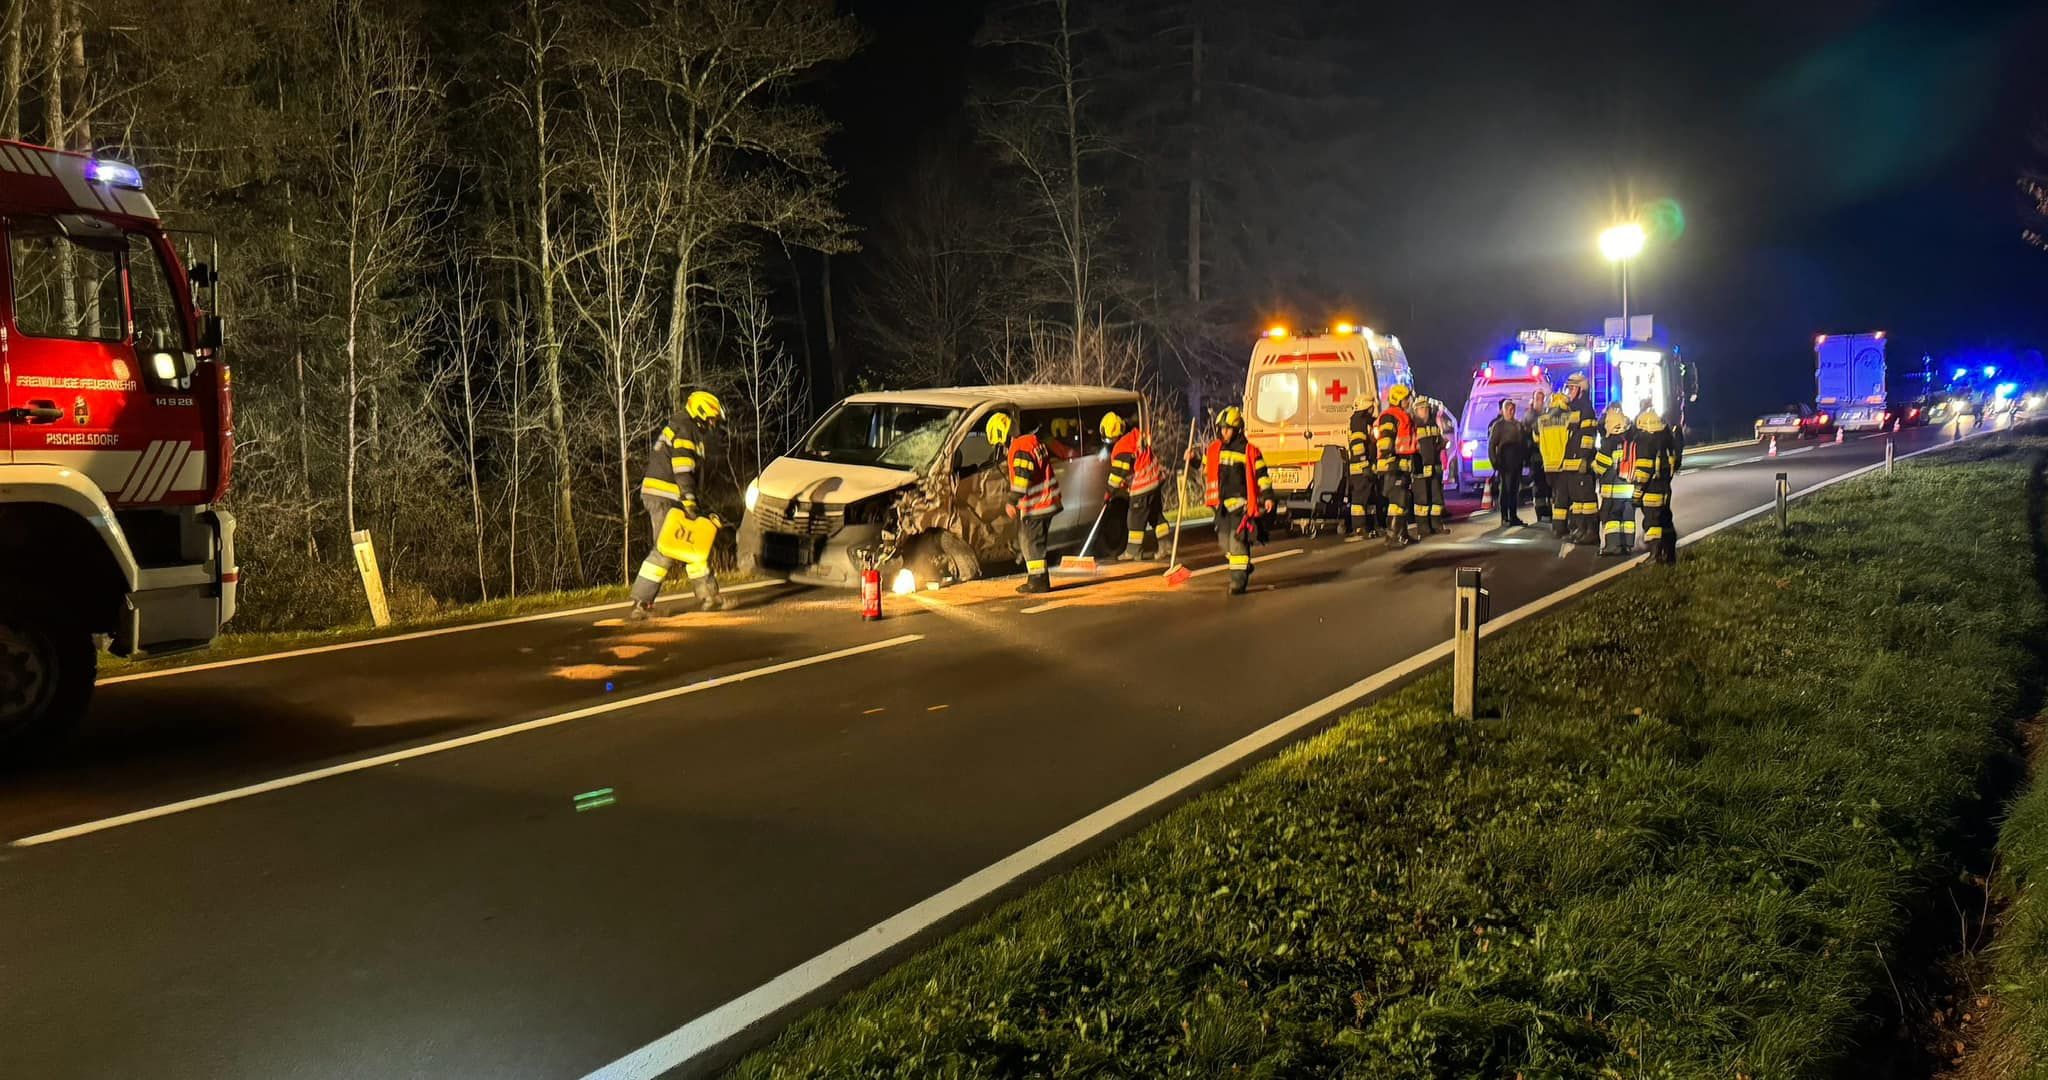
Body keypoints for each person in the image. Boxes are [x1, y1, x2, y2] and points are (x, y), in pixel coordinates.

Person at [630, 389, 732, 618]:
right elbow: (683, 469)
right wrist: (690, 501)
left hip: (668, 495)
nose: (713, 424)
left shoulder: (683, 426)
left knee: (694, 544)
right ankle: (641, 604)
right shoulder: (687, 430)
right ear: (701, 413)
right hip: (666, 496)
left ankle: (709, 596)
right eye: (712, 418)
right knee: (665, 549)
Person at [1196, 406, 1273, 595]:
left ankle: (1238, 582)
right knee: (1225, 544)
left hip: (1241, 506)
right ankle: (1243, 566)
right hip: (1222, 507)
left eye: (1227, 428)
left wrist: (1268, 496)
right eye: (1222, 428)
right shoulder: (1216, 449)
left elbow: (1262, 475)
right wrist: (1192, 460)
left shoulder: (1250, 451)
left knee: (1237, 545)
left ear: (1237, 429)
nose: (1224, 432)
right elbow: (1206, 469)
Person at [991, 412, 1061, 594]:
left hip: (1038, 504)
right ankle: (1035, 578)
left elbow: (1023, 478)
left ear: (1002, 435)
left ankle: (1039, 582)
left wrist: (1011, 501)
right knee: (1029, 541)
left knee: (1032, 543)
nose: (1002, 447)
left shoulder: (1021, 447)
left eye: (999, 443)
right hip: (1044, 502)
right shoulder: (1030, 442)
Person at [1102, 411, 1169, 560]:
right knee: (1155, 514)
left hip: (1144, 483)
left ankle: (1133, 551)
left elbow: (1118, 473)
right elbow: (1136, 461)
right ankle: (1166, 546)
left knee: (1134, 517)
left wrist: (1109, 492)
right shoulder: (1135, 435)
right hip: (1155, 477)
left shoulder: (1121, 447)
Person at [1632, 406, 1681, 564]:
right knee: (1665, 520)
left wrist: (1637, 494)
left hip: (1651, 488)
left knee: (1652, 523)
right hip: (1664, 488)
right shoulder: (1666, 439)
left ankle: (1655, 556)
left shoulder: (1646, 441)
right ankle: (1670, 556)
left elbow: (1644, 470)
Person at [1375, 383, 1420, 548]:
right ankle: (1393, 536)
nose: (1408, 401)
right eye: (1406, 399)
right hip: (1393, 466)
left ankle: (1402, 534)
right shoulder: (1390, 416)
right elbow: (1386, 439)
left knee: (1403, 500)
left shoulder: (1402, 415)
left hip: (1403, 465)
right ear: (1398, 399)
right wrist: (1390, 459)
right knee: (1397, 502)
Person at [1591, 404, 1638, 556]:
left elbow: (1600, 466)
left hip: (1613, 490)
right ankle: (1627, 544)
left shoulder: (1608, 442)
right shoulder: (1630, 439)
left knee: (1611, 517)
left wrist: (1592, 464)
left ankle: (1613, 546)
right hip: (1629, 488)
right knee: (1627, 517)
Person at [1560, 372, 1601, 543]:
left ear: (1580, 389)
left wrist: (1584, 458)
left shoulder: (1586, 408)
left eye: (1572, 388)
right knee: (1577, 499)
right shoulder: (1574, 407)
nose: (1569, 391)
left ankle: (1591, 532)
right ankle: (1580, 529)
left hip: (1581, 460)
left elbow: (1588, 436)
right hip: (1572, 460)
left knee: (1587, 498)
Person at [1487, 399, 1530, 526]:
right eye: (1509, 409)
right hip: (1504, 463)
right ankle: (1504, 517)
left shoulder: (1518, 425)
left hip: (1517, 462)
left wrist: (1524, 459)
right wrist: (1494, 462)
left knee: (1515, 490)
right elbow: (1491, 445)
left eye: (1513, 409)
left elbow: (1523, 443)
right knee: (1505, 490)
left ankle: (1514, 516)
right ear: (1504, 410)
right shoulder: (1498, 426)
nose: (1511, 412)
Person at [1345, 392, 1383, 537]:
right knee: (1359, 500)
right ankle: (1359, 527)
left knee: (1370, 498)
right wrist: (1364, 463)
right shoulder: (1358, 421)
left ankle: (1371, 526)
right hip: (1360, 468)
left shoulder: (1365, 421)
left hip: (1367, 466)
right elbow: (1358, 444)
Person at [1412, 398, 1448, 533]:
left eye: (1426, 408)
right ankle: (1423, 527)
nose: (1425, 411)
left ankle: (1437, 525)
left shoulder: (1434, 424)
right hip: (1420, 467)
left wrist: (1442, 445)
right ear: (1416, 411)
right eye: (1422, 409)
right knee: (1422, 500)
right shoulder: (1413, 426)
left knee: (1436, 498)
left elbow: (1439, 442)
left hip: (1435, 466)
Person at [1526, 389, 1552, 523]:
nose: (1541, 402)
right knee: (1539, 486)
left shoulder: (1545, 416)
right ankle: (1541, 512)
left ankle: (1548, 511)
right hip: (1536, 457)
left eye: (1542, 399)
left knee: (1548, 486)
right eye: (1538, 399)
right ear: (1534, 400)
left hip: (1547, 456)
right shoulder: (1530, 417)